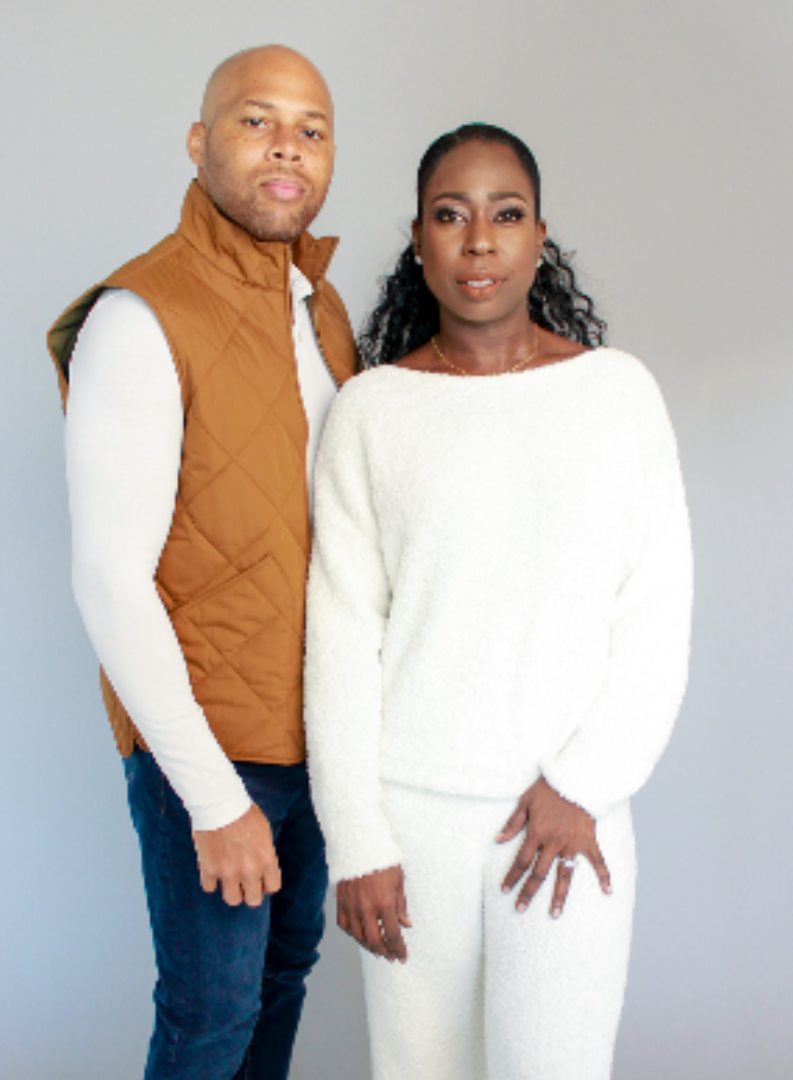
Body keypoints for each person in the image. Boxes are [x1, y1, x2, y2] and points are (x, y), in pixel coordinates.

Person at [303, 123, 693, 1080]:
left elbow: (656, 613)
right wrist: (357, 840)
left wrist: (584, 784)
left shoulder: (617, 395)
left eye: (505, 214)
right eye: (451, 216)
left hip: (568, 816)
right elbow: (342, 636)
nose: (479, 240)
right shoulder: (372, 411)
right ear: (418, 239)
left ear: (539, 235)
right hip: (411, 820)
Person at [45, 45, 358, 1080]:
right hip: (212, 751)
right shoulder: (142, 314)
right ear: (199, 141)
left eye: (311, 129)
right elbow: (108, 578)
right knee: (211, 1017)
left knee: (280, 980)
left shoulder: (320, 310)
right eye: (256, 121)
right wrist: (215, 799)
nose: (287, 148)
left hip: (319, 734)